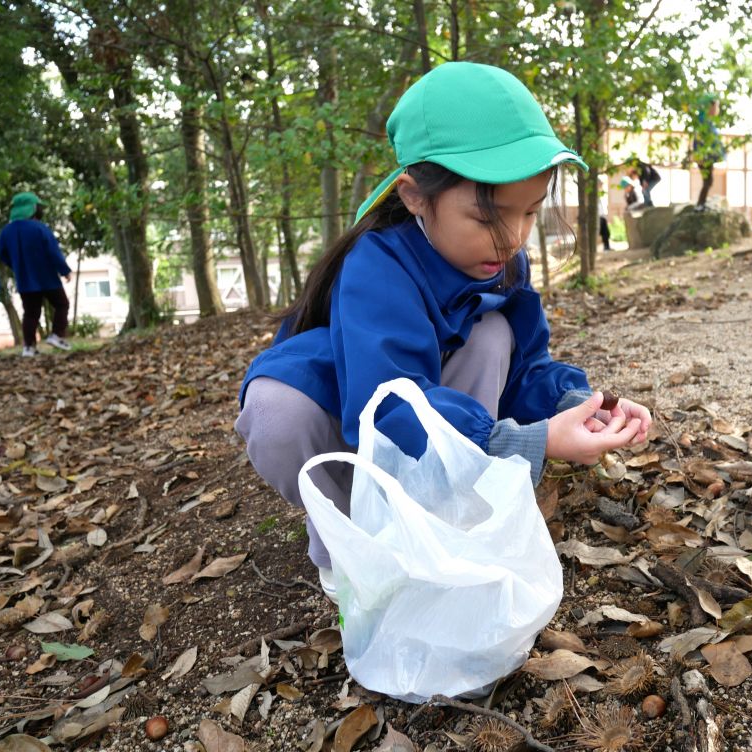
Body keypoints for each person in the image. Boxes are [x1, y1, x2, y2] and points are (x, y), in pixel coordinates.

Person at [235, 62, 652, 597]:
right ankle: (351, 543)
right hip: (348, 413)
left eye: (529, 213)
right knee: (276, 412)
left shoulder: (502, 262)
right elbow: (386, 405)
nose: (512, 238)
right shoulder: (377, 265)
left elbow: (526, 368)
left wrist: (581, 405)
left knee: (492, 333)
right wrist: (523, 442)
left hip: (430, 421)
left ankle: (451, 515)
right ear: (414, 196)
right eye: (487, 217)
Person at [0, 192, 72, 357]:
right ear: (32, 209)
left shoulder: (6, 232)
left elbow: (3, 255)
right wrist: (65, 270)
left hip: (25, 279)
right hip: (47, 277)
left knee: (31, 313)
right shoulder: (39, 228)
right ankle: (57, 335)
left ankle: (29, 347)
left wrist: (17, 267)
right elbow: (53, 252)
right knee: (62, 304)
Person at [691, 94, 727, 208]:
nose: (717, 109)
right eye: (716, 106)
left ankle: (701, 204)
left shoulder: (708, 122)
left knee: (708, 181)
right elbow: (699, 140)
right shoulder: (703, 121)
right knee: (708, 181)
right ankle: (700, 205)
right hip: (704, 157)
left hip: (706, 156)